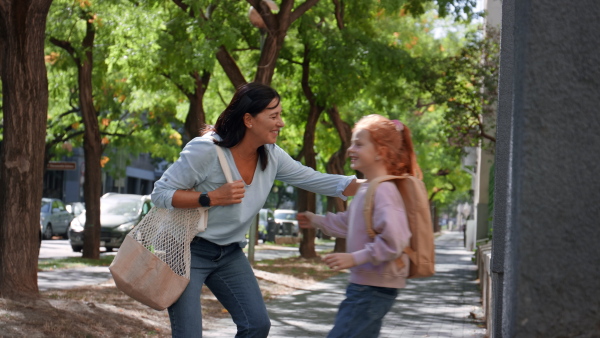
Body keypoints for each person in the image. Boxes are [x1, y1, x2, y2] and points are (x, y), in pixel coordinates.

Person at [151, 82, 361, 337]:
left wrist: (380, 184)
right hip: (186, 250)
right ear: (248, 119)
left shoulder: (271, 155)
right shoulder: (206, 150)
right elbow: (160, 194)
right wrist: (210, 198)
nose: (281, 123)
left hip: (228, 252)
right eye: (274, 116)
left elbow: (318, 180)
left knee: (257, 325)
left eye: (280, 115)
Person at [297, 114, 422, 338]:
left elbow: (394, 241)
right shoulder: (367, 189)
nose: (350, 150)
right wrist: (316, 220)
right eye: (351, 143)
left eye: (358, 144)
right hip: (366, 286)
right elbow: (349, 224)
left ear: (380, 151)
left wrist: (355, 258)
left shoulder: (384, 191)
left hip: (372, 289)